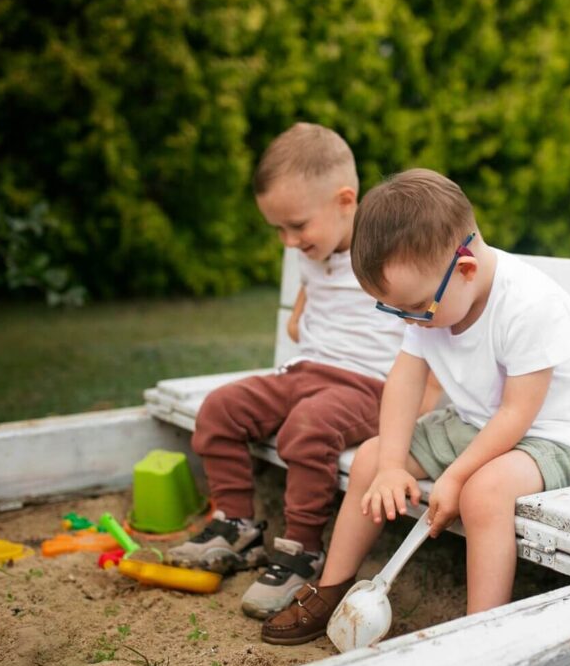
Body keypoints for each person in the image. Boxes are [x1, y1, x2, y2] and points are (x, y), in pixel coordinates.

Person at [261, 168, 570, 645]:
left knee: (483, 494)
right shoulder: (432, 298)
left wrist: (455, 476)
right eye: (397, 310)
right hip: (474, 423)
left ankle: (480, 633)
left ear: (464, 269)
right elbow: (405, 381)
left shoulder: (530, 304)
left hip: (550, 435)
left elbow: (517, 414)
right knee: (369, 458)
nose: (411, 321)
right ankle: (332, 589)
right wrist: (389, 466)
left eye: (415, 309)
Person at [167, 124, 436, 620]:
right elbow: (320, 282)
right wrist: (300, 313)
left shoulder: (390, 251)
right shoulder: (317, 246)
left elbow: (432, 325)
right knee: (221, 408)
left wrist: (424, 401)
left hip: (366, 385)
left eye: (297, 226)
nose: (289, 242)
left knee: (307, 429)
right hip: (304, 371)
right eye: (279, 230)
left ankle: (301, 551)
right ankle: (237, 526)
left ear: (345, 201)